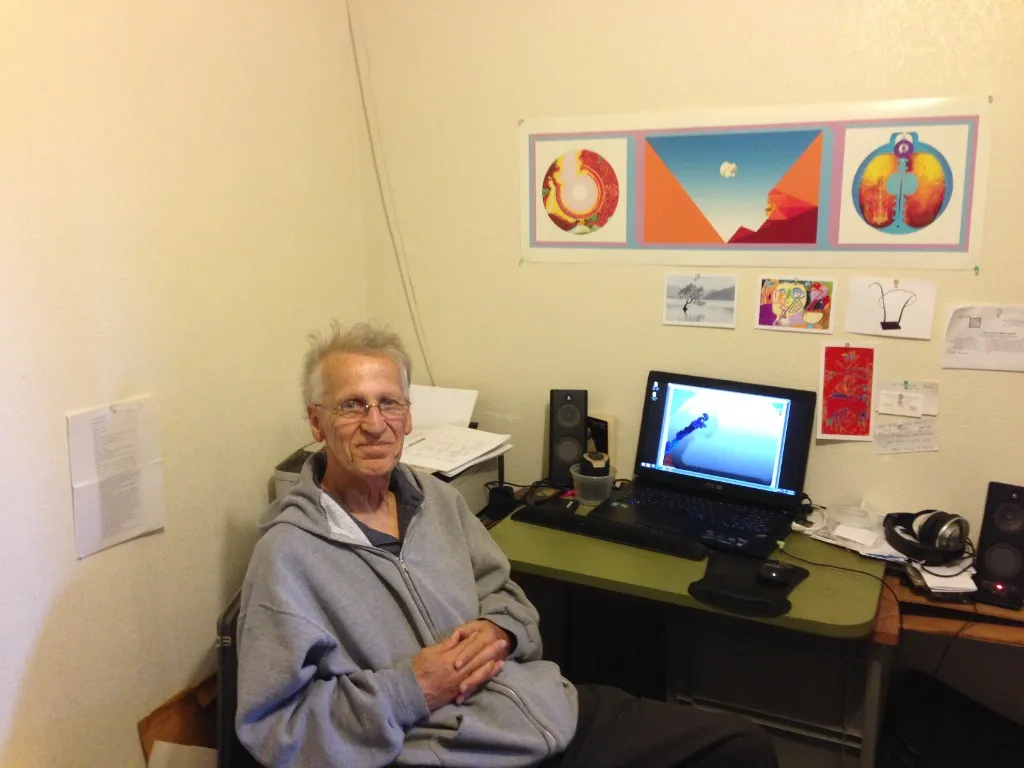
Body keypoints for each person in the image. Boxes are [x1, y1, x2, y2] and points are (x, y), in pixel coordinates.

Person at [235, 321, 778, 768]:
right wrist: (410, 690)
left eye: (390, 404)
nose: (376, 424)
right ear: (316, 422)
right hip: (447, 750)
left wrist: (499, 632)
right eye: (352, 406)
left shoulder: (438, 502)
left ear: (408, 416)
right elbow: (276, 731)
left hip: (541, 711)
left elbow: (509, 598)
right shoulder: (287, 556)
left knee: (740, 749)